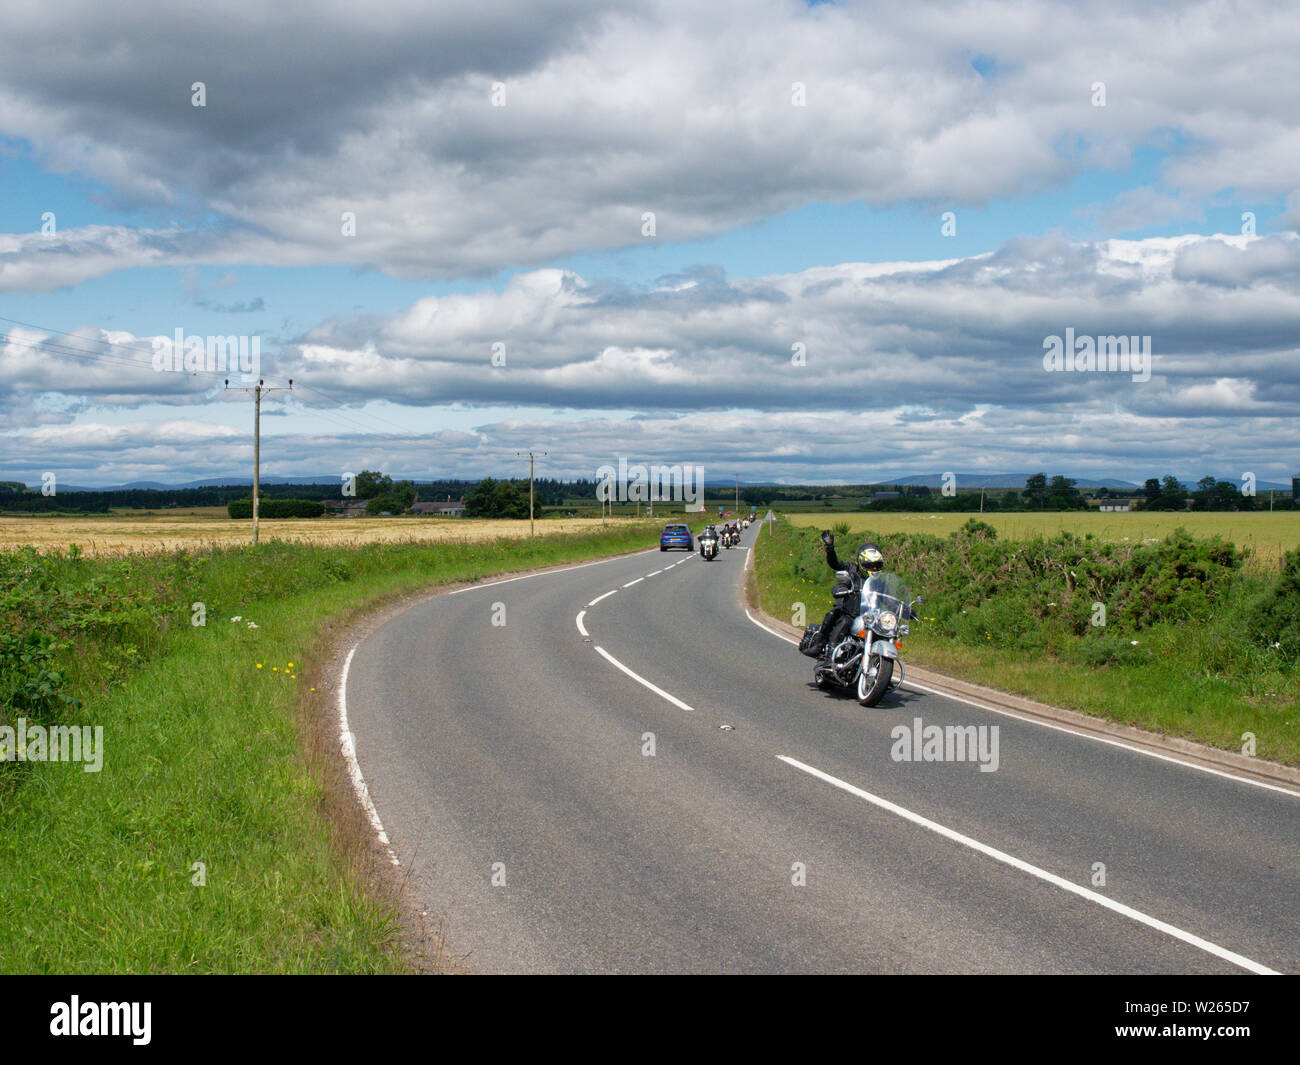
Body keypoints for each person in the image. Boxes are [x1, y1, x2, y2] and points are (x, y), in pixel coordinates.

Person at [804, 531, 885, 659]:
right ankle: (825, 650)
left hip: (870, 616)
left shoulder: (880, 582)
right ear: (862, 563)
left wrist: (904, 607)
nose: (874, 569)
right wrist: (830, 548)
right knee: (840, 618)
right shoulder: (853, 570)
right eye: (870, 566)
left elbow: (887, 598)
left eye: (877, 566)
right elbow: (835, 564)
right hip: (850, 611)